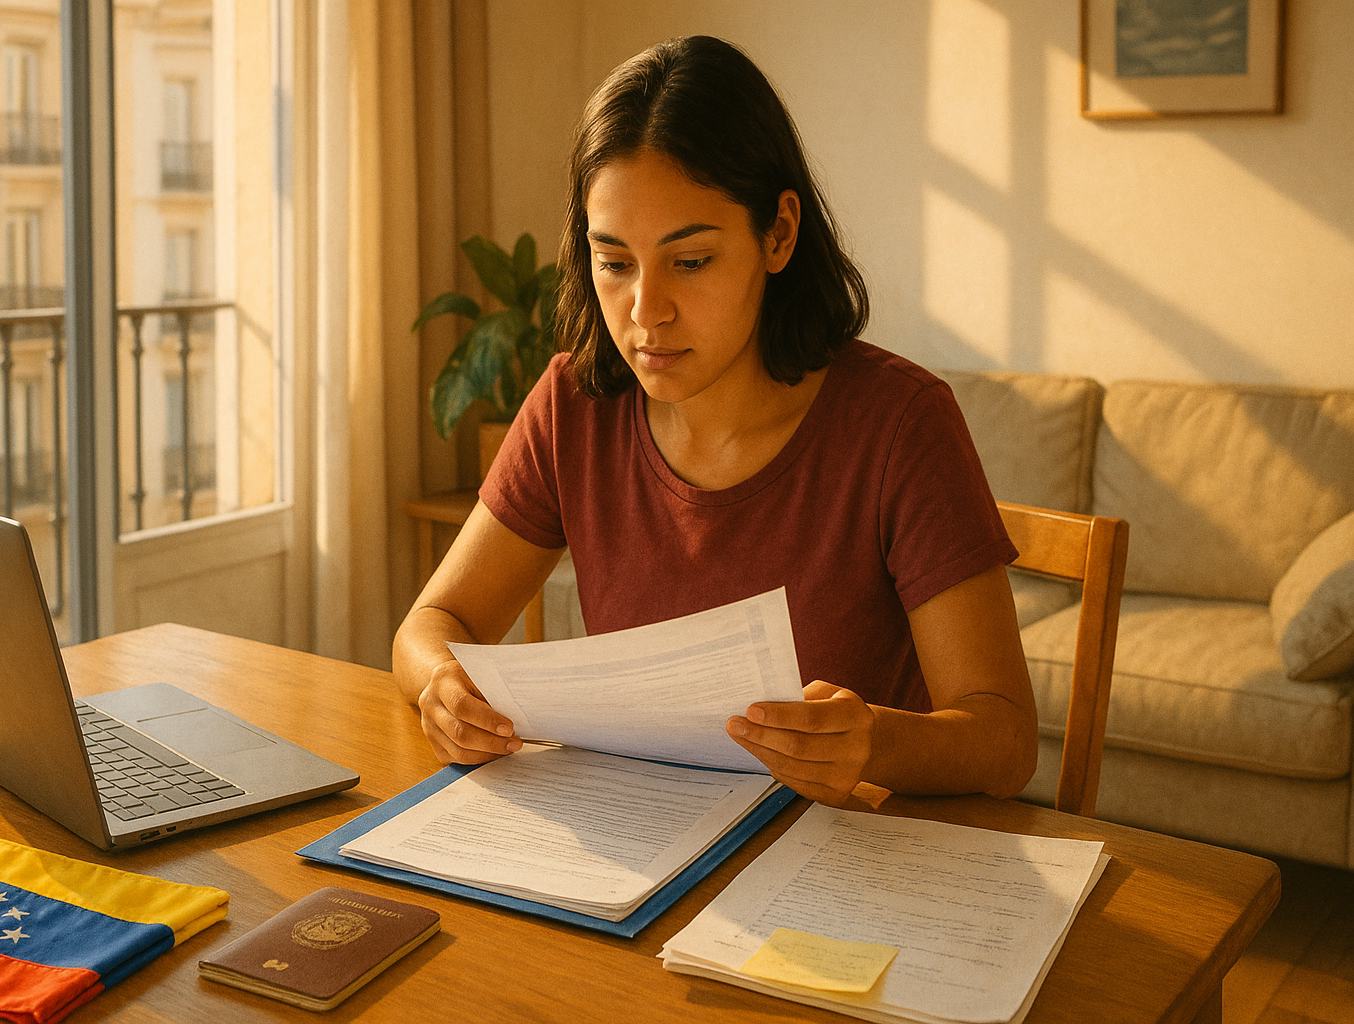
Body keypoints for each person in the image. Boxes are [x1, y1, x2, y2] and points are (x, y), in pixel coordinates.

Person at [393, 35, 1038, 807]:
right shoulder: (576, 404)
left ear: (779, 235)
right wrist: (443, 685)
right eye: (614, 262)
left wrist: (877, 740)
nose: (645, 311)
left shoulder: (901, 424)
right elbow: (434, 622)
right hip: (646, 842)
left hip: (841, 863)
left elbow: (1004, 741)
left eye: (690, 261)